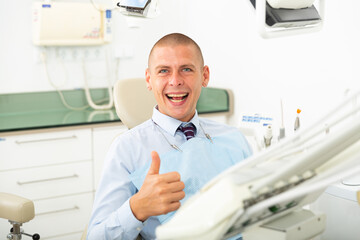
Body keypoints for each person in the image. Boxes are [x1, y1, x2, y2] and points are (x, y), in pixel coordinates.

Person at [87, 33, 252, 240]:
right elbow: (95, 236)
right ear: (149, 79)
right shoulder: (128, 148)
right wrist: (136, 209)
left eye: (186, 69)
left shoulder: (233, 139)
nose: (175, 81)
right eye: (164, 71)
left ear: (205, 76)